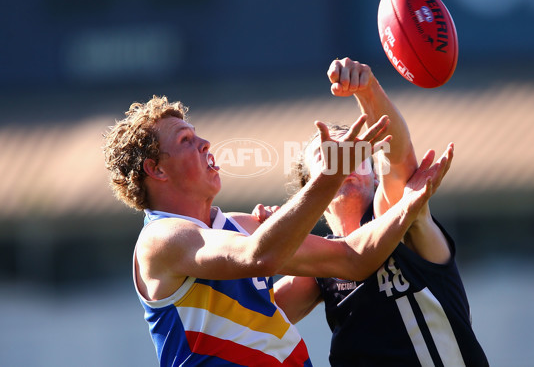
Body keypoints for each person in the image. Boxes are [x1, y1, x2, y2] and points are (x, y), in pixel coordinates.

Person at [103, 94, 452, 366]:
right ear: (156, 169)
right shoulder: (160, 239)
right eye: (185, 140)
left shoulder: (237, 226)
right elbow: (261, 256)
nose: (205, 144)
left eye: (197, 135)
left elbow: (351, 259)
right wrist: (330, 176)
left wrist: (410, 203)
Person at [270, 58, 489, 366]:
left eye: (355, 151)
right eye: (326, 152)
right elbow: (248, 317)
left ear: (374, 174)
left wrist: (367, 90)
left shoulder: (395, 215)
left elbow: (397, 158)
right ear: (310, 187)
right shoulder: (320, 264)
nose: (342, 158)